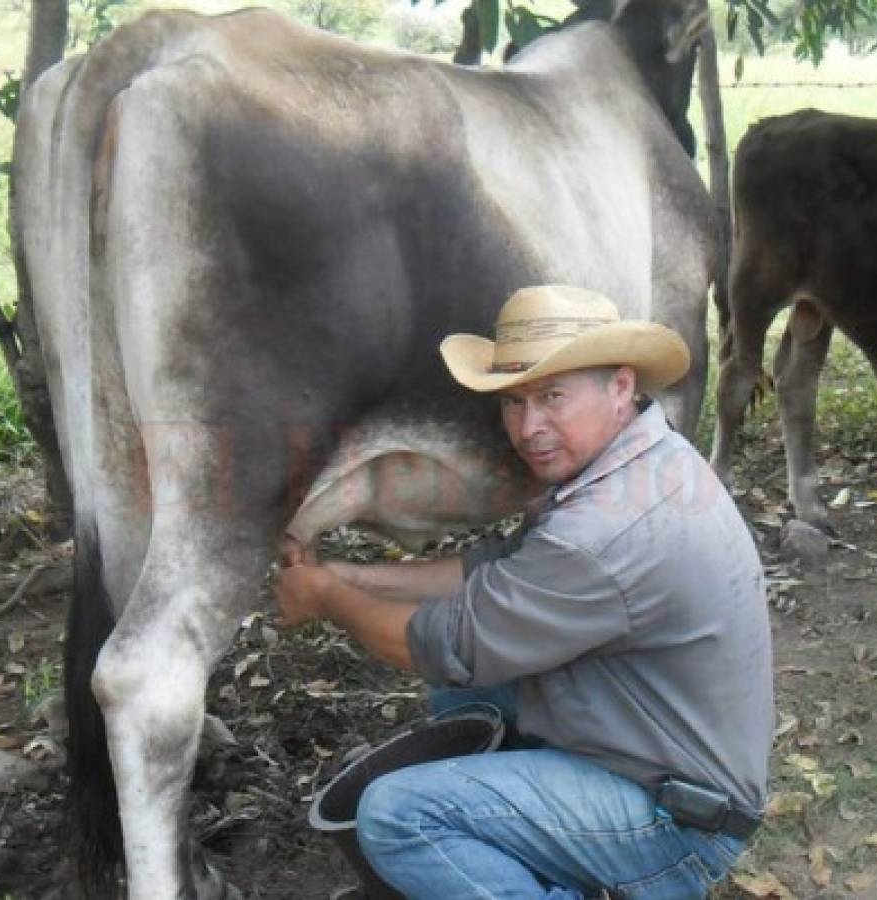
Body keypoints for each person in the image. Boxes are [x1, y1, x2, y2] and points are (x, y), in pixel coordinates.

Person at [274, 284, 773, 899]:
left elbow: (435, 643)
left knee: (400, 816)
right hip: (661, 758)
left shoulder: (603, 533)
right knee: (466, 692)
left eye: (552, 397)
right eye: (514, 401)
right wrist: (350, 575)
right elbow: (496, 568)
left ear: (621, 386)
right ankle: (533, 856)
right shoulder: (645, 459)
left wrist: (326, 597)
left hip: (674, 826)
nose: (529, 427)